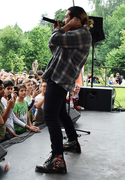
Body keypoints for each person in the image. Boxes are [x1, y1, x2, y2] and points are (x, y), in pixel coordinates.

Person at [36, 6, 92, 173]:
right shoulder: (73, 35)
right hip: (60, 76)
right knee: (60, 113)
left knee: (50, 115)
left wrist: (63, 29)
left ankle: (57, 159)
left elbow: (56, 39)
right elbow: (54, 47)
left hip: (60, 78)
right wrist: (60, 30)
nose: (64, 20)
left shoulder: (81, 33)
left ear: (76, 19)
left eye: (67, 17)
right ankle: (73, 142)